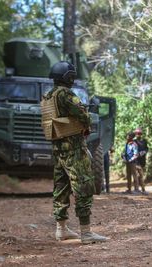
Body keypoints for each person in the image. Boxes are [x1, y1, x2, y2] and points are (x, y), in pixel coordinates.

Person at [41, 61, 107, 244]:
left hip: (58, 149)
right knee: (84, 185)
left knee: (61, 187)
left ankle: (61, 230)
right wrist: (85, 120)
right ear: (68, 77)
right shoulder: (65, 94)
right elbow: (83, 115)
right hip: (74, 148)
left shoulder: (48, 96)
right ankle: (86, 233)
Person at [134, 128, 149, 194]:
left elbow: (146, 148)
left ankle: (141, 189)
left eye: (139, 133)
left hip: (143, 160)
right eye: (137, 134)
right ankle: (139, 189)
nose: (138, 135)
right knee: (137, 175)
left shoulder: (144, 141)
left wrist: (144, 152)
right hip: (136, 160)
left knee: (141, 175)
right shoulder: (134, 142)